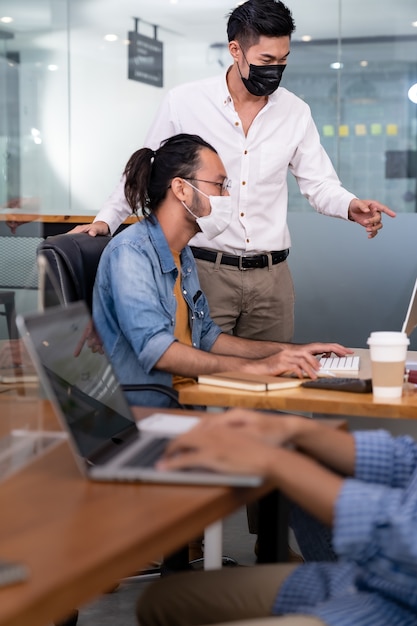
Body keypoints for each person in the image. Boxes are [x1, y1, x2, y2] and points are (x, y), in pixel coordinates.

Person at [74, 0, 395, 346]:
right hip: (204, 271)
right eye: (266, 60)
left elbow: (319, 184)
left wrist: (350, 206)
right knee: (202, 380)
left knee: (273, 381)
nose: (275, 69)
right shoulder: (186, 102)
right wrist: (106, 220)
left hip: (272, 280)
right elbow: (145, 167)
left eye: (283, 60)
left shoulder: (295, 112)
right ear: (235, 50)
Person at [92, 132, 352, 408]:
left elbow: (207, 337)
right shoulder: (131, 253)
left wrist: (290, 351)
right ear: (181, 189)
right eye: (219, 185)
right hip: (152, 413)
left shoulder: (183, 254)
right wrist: (258, 368)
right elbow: (157, 351)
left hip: (186, 404)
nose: (227, 196)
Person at [136, 409, 417, 626]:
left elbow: (405, 539)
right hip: (369, 580)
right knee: (161, 601)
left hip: (398, 609)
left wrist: (274, 461)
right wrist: (293, 428)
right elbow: (407, 462)